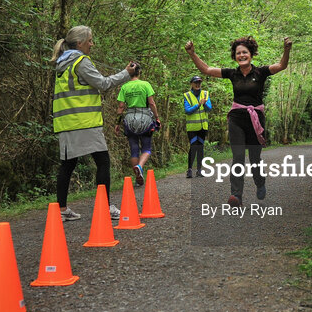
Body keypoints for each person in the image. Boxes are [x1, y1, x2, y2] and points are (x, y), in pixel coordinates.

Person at [185, 35, 292, 207]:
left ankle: (260, 182)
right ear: (235, 56)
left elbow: (281, 66)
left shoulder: (261, 72)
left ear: (251, 54)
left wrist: (286, 50)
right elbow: (206, 70)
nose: (241, 55)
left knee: (255, 159)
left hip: (256, 119)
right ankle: (236, 195)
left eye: (245, 52)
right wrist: (192, 54)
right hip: (236, 119)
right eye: (238, 53)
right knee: (238, 156)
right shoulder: (232, 74)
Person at [51, 25, 137, 222]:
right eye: (89, 40)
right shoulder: (81, 61)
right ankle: (105, 207)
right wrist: (126, 73)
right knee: (103, 161)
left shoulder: (62, 64)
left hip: (66, 123)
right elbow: (104, 84)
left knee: (67, 165)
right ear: (80, 43)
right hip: (85, 122)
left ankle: (62, 209)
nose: (92, 44)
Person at [116, 63, 160, 186]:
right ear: (139, 72)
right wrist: (157, 118)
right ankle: (140, 167)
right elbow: (151, 103)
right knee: (146, 148)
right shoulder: (145, 84)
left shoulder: (124, 87)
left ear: (129, 73)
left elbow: (120, 107)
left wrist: (117, 123)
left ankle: (137, 177)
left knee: (134, 150)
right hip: (145, 118)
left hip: (129, 118)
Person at [183, 75, 211, 178]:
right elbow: (187, 111)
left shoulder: (205, 94)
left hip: (203, 127)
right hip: (192, 128)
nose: (197, 84)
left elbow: (209, 109)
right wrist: (198, 105)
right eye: (195, 82)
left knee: (200, 147)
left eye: (199, 82)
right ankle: (190, 169)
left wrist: (204, 104)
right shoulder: (187, 95)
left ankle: (199, 170)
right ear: (192, 84)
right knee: (193, 146)